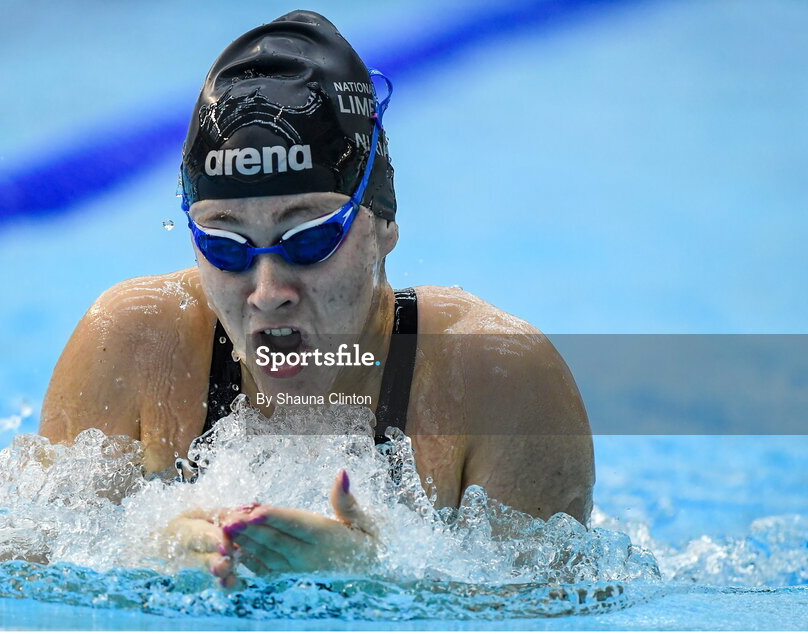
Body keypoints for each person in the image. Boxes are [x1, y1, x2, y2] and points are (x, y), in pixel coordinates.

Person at [39, 10, 593, 588]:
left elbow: (555, 612)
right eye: (226, 245)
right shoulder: (132, 346)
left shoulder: (499, 378)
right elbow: (11, 573)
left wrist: (377, 585)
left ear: (382, 222)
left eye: (310, 239)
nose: (268, 292)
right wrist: (145, 559)